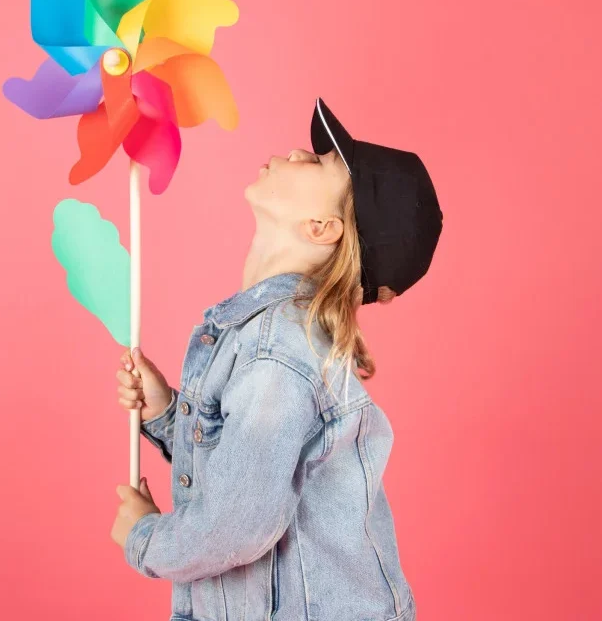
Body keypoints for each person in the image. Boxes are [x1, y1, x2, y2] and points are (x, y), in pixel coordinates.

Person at [110, 98, 443, 621]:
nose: (294, 151)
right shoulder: (274, 338)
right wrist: (167, 412)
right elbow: (249, 467)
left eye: (316, 162)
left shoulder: (278, 349)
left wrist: (145, 537)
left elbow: (237, 522)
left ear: (321, 227)